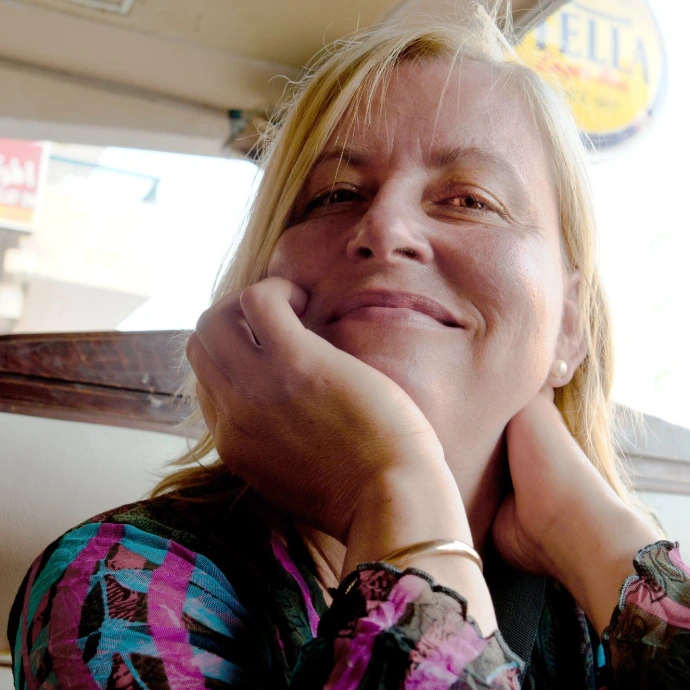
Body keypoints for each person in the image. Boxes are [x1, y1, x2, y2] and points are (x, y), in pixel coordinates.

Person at [7, 5, 690, 689]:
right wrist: (395, 491)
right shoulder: (125, 582)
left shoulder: (590, 600)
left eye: (469, 199)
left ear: (568, 323)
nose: (383, 226)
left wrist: (600, 538)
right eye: (336, 194)